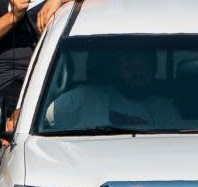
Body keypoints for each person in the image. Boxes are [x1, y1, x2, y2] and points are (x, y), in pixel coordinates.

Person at [44, 49, 179, 131]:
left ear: (154, 68)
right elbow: (39, 119)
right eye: (129, 63)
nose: (137, 71)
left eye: (144, 63)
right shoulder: (83, 98)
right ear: (115, 68)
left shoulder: (165, 109)